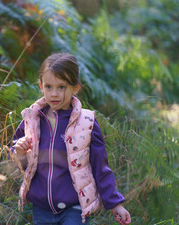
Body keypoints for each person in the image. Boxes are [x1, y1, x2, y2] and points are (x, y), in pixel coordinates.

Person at [10, 53, 131, 225]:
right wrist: (19, 153)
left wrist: (115, 203)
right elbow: (14, 162)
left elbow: (100, 167)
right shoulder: (31, 120)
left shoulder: (86, 122)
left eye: (62, 87)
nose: (54, 94)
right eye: (49, 87)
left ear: (75, 88)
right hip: (41, 208)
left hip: (74, 207)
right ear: (41, 86)